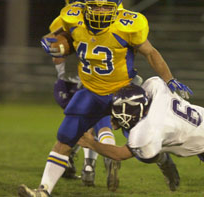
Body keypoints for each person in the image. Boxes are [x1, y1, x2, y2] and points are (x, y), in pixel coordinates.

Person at [18, 0, 191, 196]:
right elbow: (53, 38)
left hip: (124, 93)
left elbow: (150, 53)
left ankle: (162, 160)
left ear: (116, 7)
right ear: (86, 5)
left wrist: (169, 79)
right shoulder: (73, 17)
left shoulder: (127, 25)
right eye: (96, 6)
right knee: (65, 139)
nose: (100, 11)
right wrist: (54, 43)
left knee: (143, 148)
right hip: (91, 91)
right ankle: (44, 190)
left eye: (106, 7)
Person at [78, 76, 204, 197]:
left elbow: (121, 154)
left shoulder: (148, 130)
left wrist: (90, 143)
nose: (117, 119)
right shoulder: (155, 90)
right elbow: (153, 84)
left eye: (120, 116)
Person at [49, 0, 125, 188]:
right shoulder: (116, 15)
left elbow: (54, 50)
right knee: (101, 124)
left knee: (79, 127)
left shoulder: (65, 18)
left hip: (78, 81)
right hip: (101, 79)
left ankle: (83, 166)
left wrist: (60, 75)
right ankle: (93, 164)